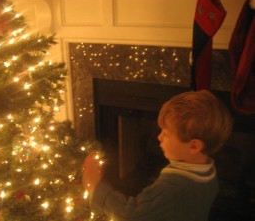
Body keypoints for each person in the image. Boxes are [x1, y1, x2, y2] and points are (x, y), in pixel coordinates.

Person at [82, 90, 233, 221]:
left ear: (194, 146)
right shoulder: (207, 169)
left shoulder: (175, 186)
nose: (159, 137)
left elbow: (131, 216)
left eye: (166, 134)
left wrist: (96, 187)